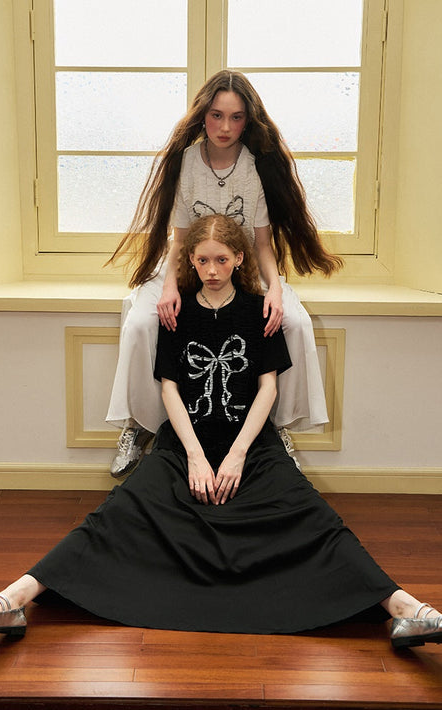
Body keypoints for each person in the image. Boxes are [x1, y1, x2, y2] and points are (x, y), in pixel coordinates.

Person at [0, 215, 442, 649]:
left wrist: (237, 455)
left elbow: (268, 389)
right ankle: (11, 602)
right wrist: (196, 457)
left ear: (239, 258)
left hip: (250, 443)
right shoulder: (175, 315)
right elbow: (170, 389)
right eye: (202, 261)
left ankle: (408, 611)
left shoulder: (261, 311)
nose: (212, 270)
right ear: (189, 263)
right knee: (114, 515)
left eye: (221, 259)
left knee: (316, 519)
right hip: (184, 443)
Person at [105, 69, 343, 477]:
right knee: (142, 322)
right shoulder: (183, 163)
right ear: (202, 115)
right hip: (187, 263)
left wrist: (275, 290)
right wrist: (169, 286)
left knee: (294, 322)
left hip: (243, 266)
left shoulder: (258, 167)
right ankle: (142, 425)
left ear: (248, 120)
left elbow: (263, 244)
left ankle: (275, 429)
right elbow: (179, 240)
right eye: (216, 115)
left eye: (236, 117)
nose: (225, 127)